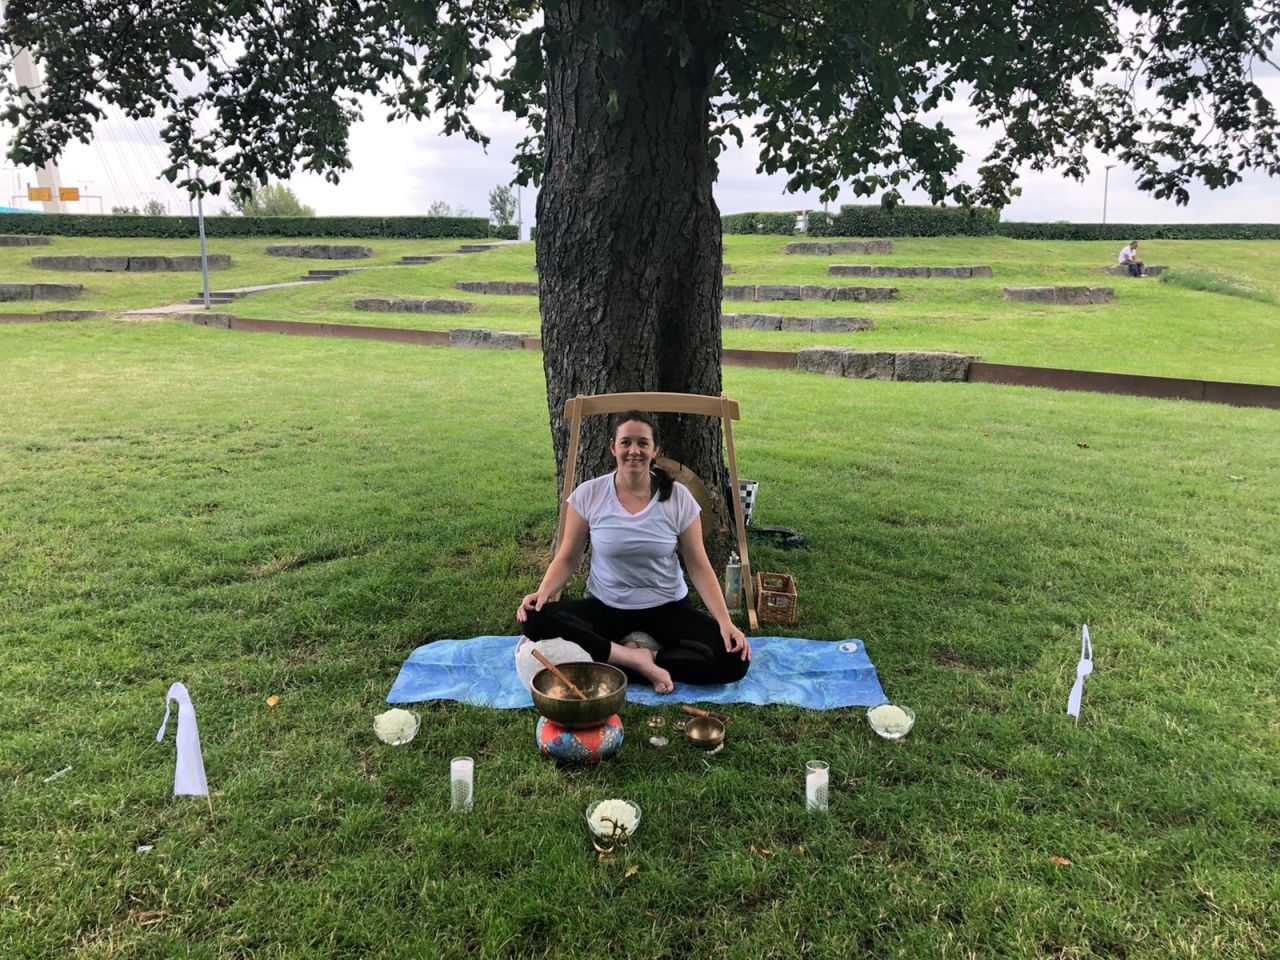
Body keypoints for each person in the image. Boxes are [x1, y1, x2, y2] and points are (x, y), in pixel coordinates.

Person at [517, 410, 751, 694]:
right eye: (626, 442)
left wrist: (725, 623)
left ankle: (641, 659)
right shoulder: (588, 494)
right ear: (612, 447)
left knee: (734, 660)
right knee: (533, 618)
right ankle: (631, 658)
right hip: (607, 607)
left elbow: (699, 566)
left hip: (666, 608)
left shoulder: (679, 498)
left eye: (643, 443)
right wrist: (543, 592)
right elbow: (568, 557)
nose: (634, 450)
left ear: (655, 450)